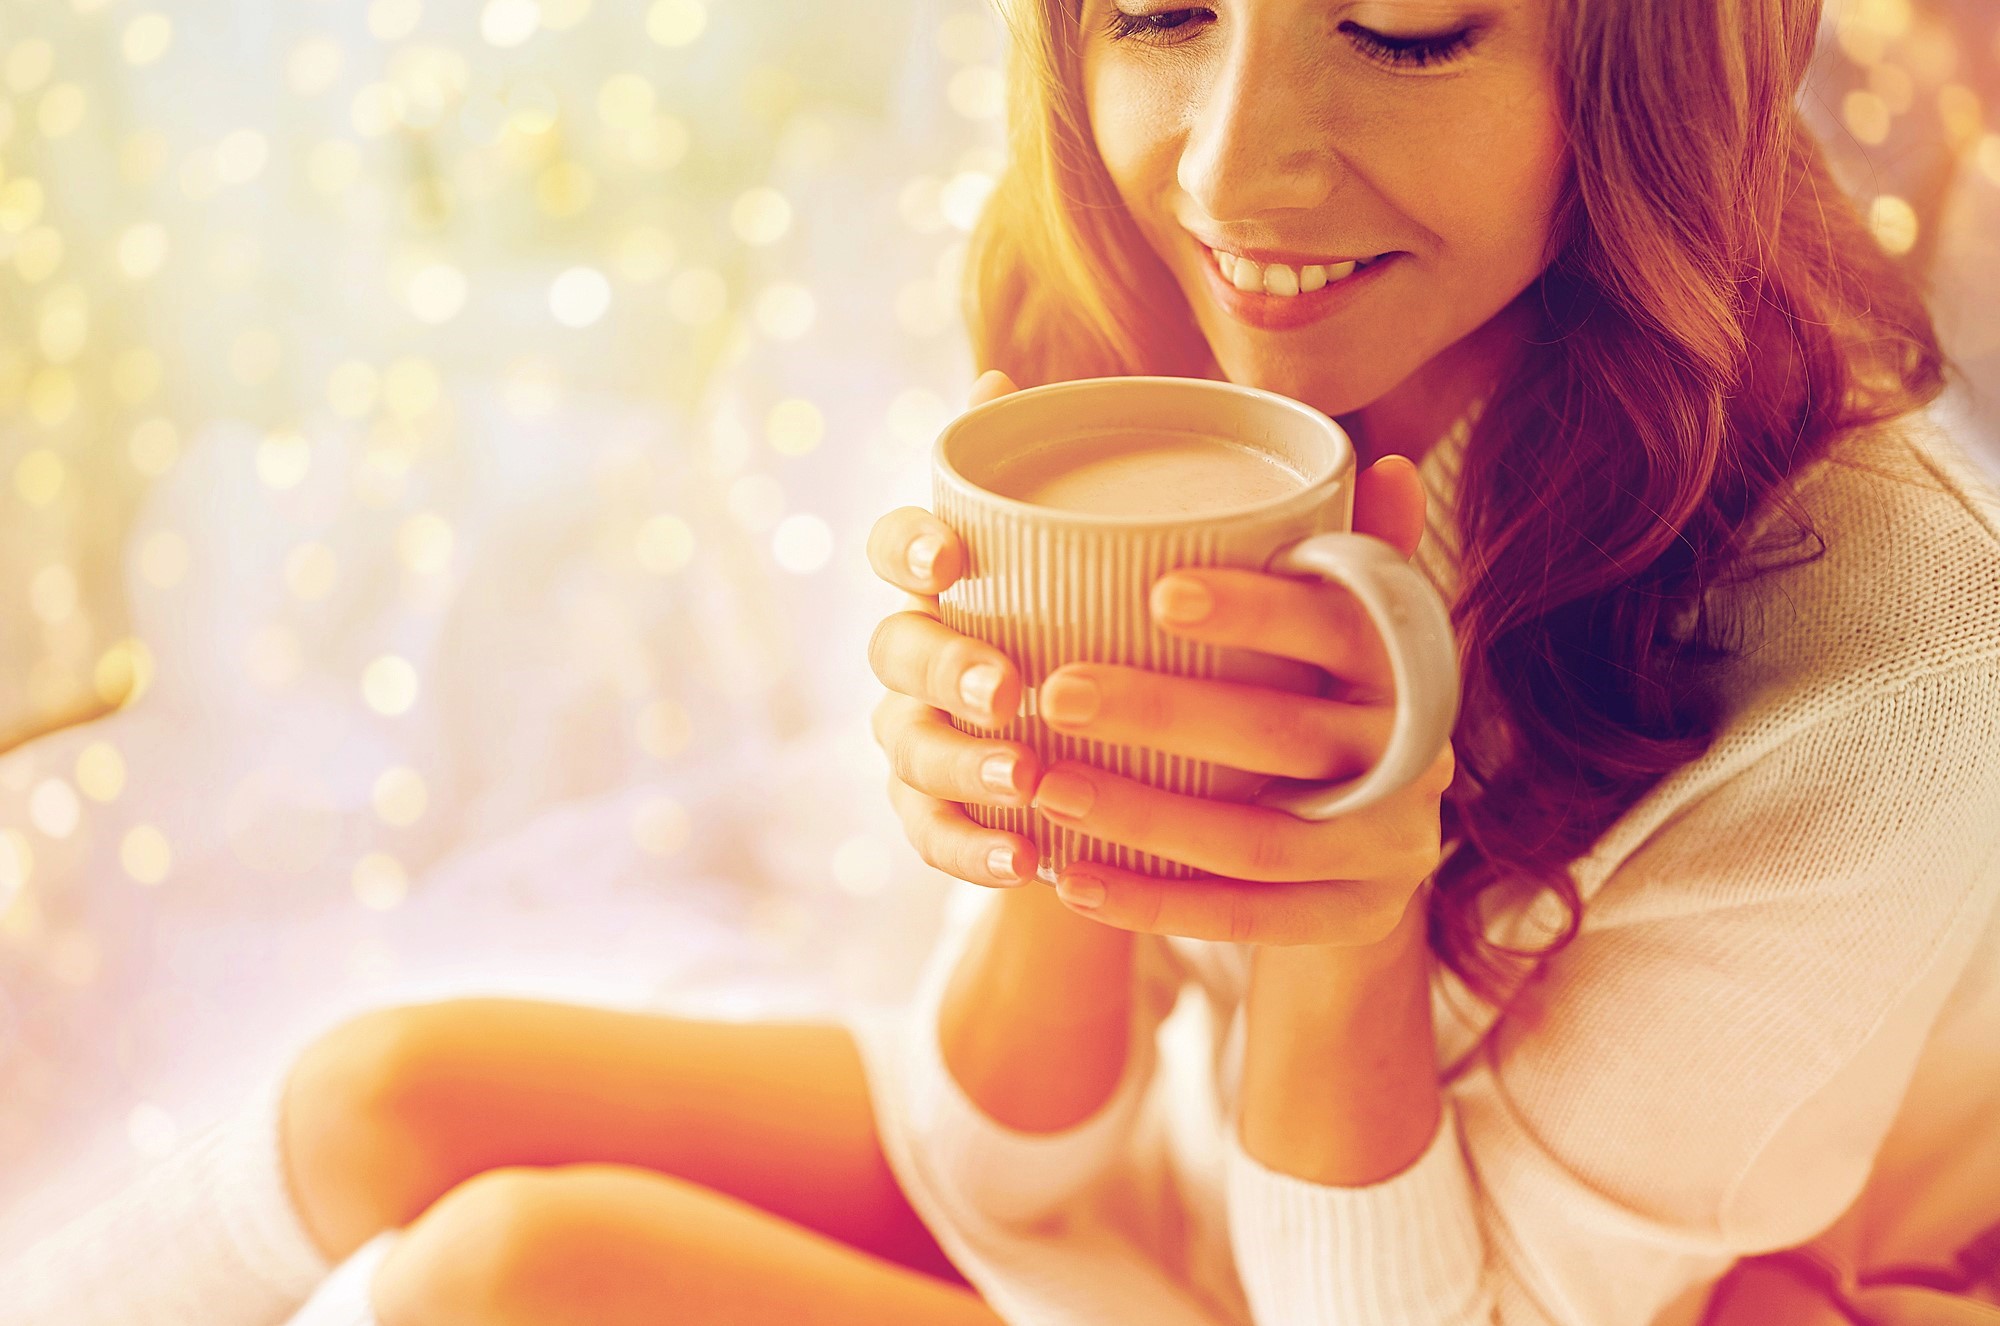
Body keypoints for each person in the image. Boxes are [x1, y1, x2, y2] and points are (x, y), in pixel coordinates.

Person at [5, 0, 1998, 1323]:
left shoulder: (1900, 674)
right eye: (1159, 10)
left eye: (1396, 21)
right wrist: (1049, 833)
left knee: (512, 1276)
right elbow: (1000, 1160)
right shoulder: (1219, 357)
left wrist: (1325, 921)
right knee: (383, 1091)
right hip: (1190, 1209)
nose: (1231, 171)